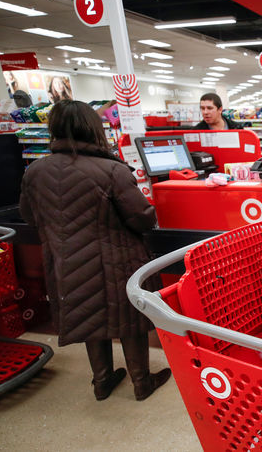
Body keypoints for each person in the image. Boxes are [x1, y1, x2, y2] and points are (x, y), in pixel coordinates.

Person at [19, 100, 171, 401]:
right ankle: (141, 381)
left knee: (89, 315)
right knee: (129, 319)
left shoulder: (35, 171)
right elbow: (141, 217)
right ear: (93, 129)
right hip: (116, 260)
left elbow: (29, 215)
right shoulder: (111, 170)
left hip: (65, 262)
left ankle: (102, 381)